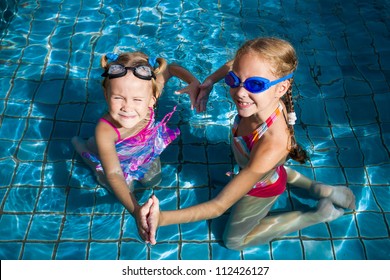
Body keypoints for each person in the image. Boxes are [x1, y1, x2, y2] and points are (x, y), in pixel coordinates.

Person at [141, 37, 356, 249]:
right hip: (264, 168)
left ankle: (319, 214)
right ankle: (324, 190)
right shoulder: (262, 100)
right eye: (235, 81)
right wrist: (209, 82)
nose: (240, 92)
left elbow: (218, 206)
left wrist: (162, 218)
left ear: (281, 88)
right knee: (273, 171)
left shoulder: (273, 143)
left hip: (261, 189)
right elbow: (233, 66)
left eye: (255, 84)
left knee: (234, 242)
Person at [71, 51, 200, 241]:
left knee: (153, 179)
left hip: (142, 149)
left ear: (152, 99)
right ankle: (79, 145)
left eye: (137, 100)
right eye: (118, 98)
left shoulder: (149, 93)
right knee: (121, 185)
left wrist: (193, 82)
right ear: (106, 96)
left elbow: (170, 69)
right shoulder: (105, 130)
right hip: (109, 155)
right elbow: (114, 173)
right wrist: (136, 211)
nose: (127, 107)